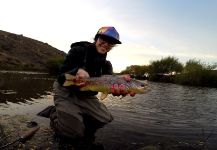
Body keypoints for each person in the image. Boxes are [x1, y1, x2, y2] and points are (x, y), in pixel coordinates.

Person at [47, 26, 135, 149]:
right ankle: (55, 114)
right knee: (74, 133)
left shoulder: (106, 64)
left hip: (86, 94)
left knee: (105, 119)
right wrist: (77, 71)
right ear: (96, 38)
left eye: (111, 43)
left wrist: (119, 84)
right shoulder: (77, 50)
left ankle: (73, 116)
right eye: (103, 39)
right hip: (65, 91)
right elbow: (61, 77)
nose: (106, 44)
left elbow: (110, 81)